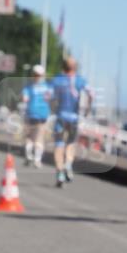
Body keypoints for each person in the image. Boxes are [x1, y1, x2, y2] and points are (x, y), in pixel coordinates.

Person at [50, 56, 93, 187]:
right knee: (71, 143)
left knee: (59, 145)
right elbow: (91, 93)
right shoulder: (80, 80)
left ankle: (60, 173)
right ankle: (68, 165)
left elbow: (48, 95)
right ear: (76, 67)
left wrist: (52, 108)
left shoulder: (57, 79)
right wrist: (87, 109)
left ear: (63, 66)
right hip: (74, 117)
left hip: (61, 116)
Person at [20, 64, 53, 167]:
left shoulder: (29, 87)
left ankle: (29, 155)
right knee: (40, 137)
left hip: (31, 113)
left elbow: (25, 99)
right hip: (43, 114)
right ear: (43, 75)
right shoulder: (48, 87)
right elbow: (50, 98)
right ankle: (37, 159)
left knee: (29, 136)